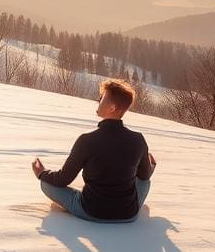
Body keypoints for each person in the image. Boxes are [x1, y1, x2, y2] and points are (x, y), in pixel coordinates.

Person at [32, 78, 156, 223]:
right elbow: (144, 176)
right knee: (145, 182)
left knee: (46, 184)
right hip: (128, 213)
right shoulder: (138, 139)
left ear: (112, 107)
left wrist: (42, 173)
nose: (98, 100)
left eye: (102, 98)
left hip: (92, 212)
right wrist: (150, 168)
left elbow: (63, 179)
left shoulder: (86, 140)